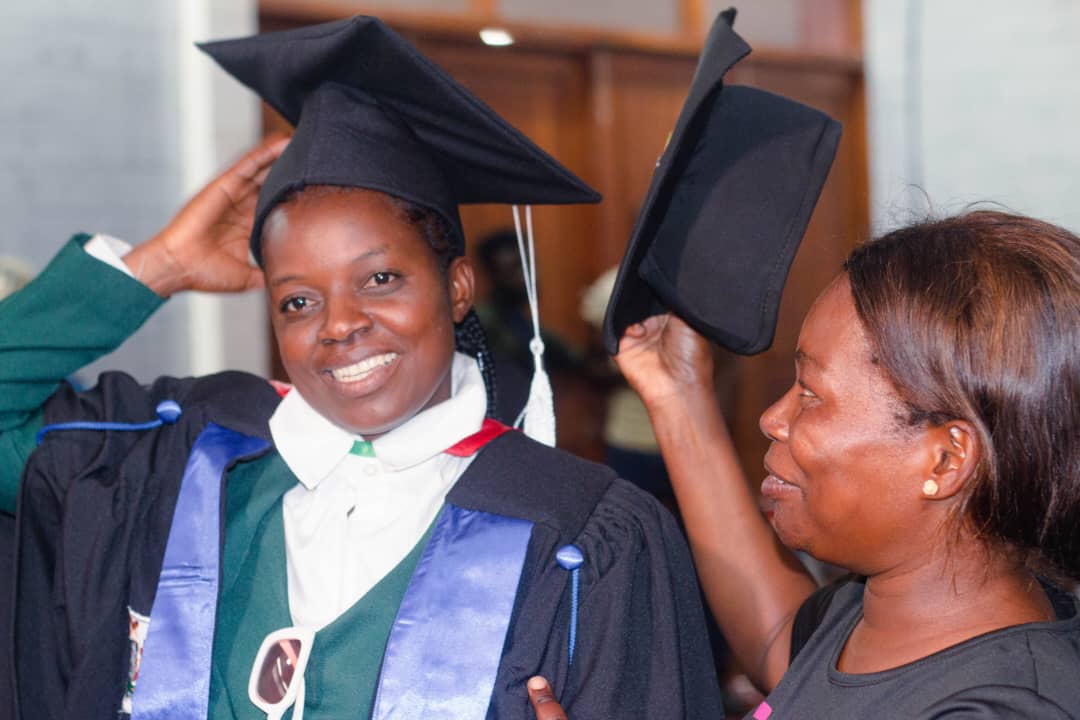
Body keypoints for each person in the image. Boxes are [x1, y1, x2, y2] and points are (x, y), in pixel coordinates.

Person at [0, 16, 722, 720]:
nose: (339, 323)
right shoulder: (186, 453)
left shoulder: (580, 533)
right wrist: (158, 265)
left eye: (380, 279)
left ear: (457, 287)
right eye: (298, 300)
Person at [528, 210, 1080, 718]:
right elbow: (779, 639)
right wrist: (677, 393)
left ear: (945, 460)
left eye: (811, 394)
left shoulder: (1005, 707)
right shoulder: (875, 612)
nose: (773, 418)